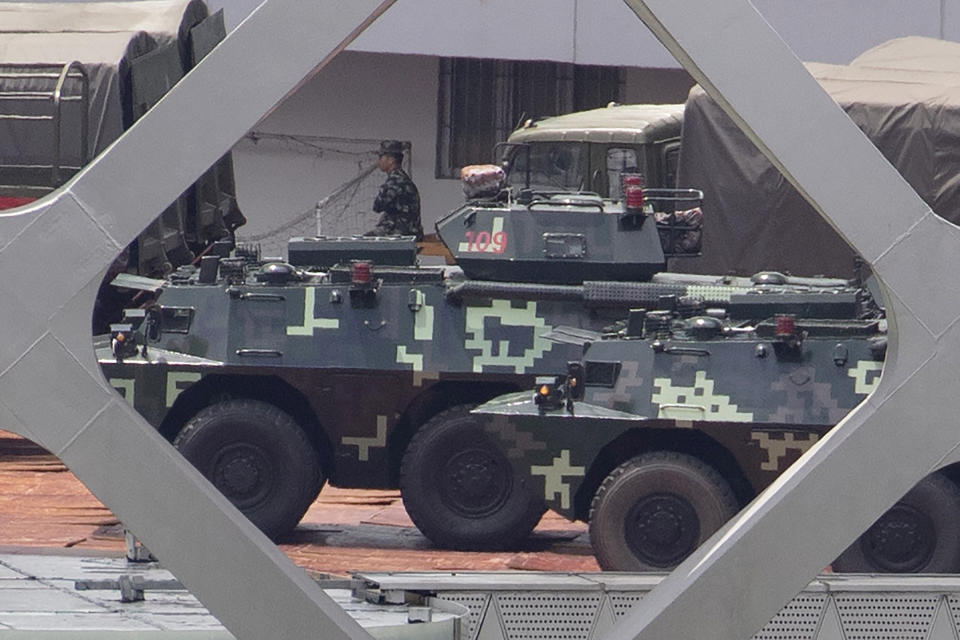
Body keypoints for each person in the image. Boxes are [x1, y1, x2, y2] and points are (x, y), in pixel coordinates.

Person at [365, 140, 423, 240]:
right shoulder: (404, 179)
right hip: (411, 231)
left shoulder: (395, 181)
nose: (378, 161)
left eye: (381, 157)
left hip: (399, 232)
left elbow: (378, 206)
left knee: (363, 242)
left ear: (391, 160)